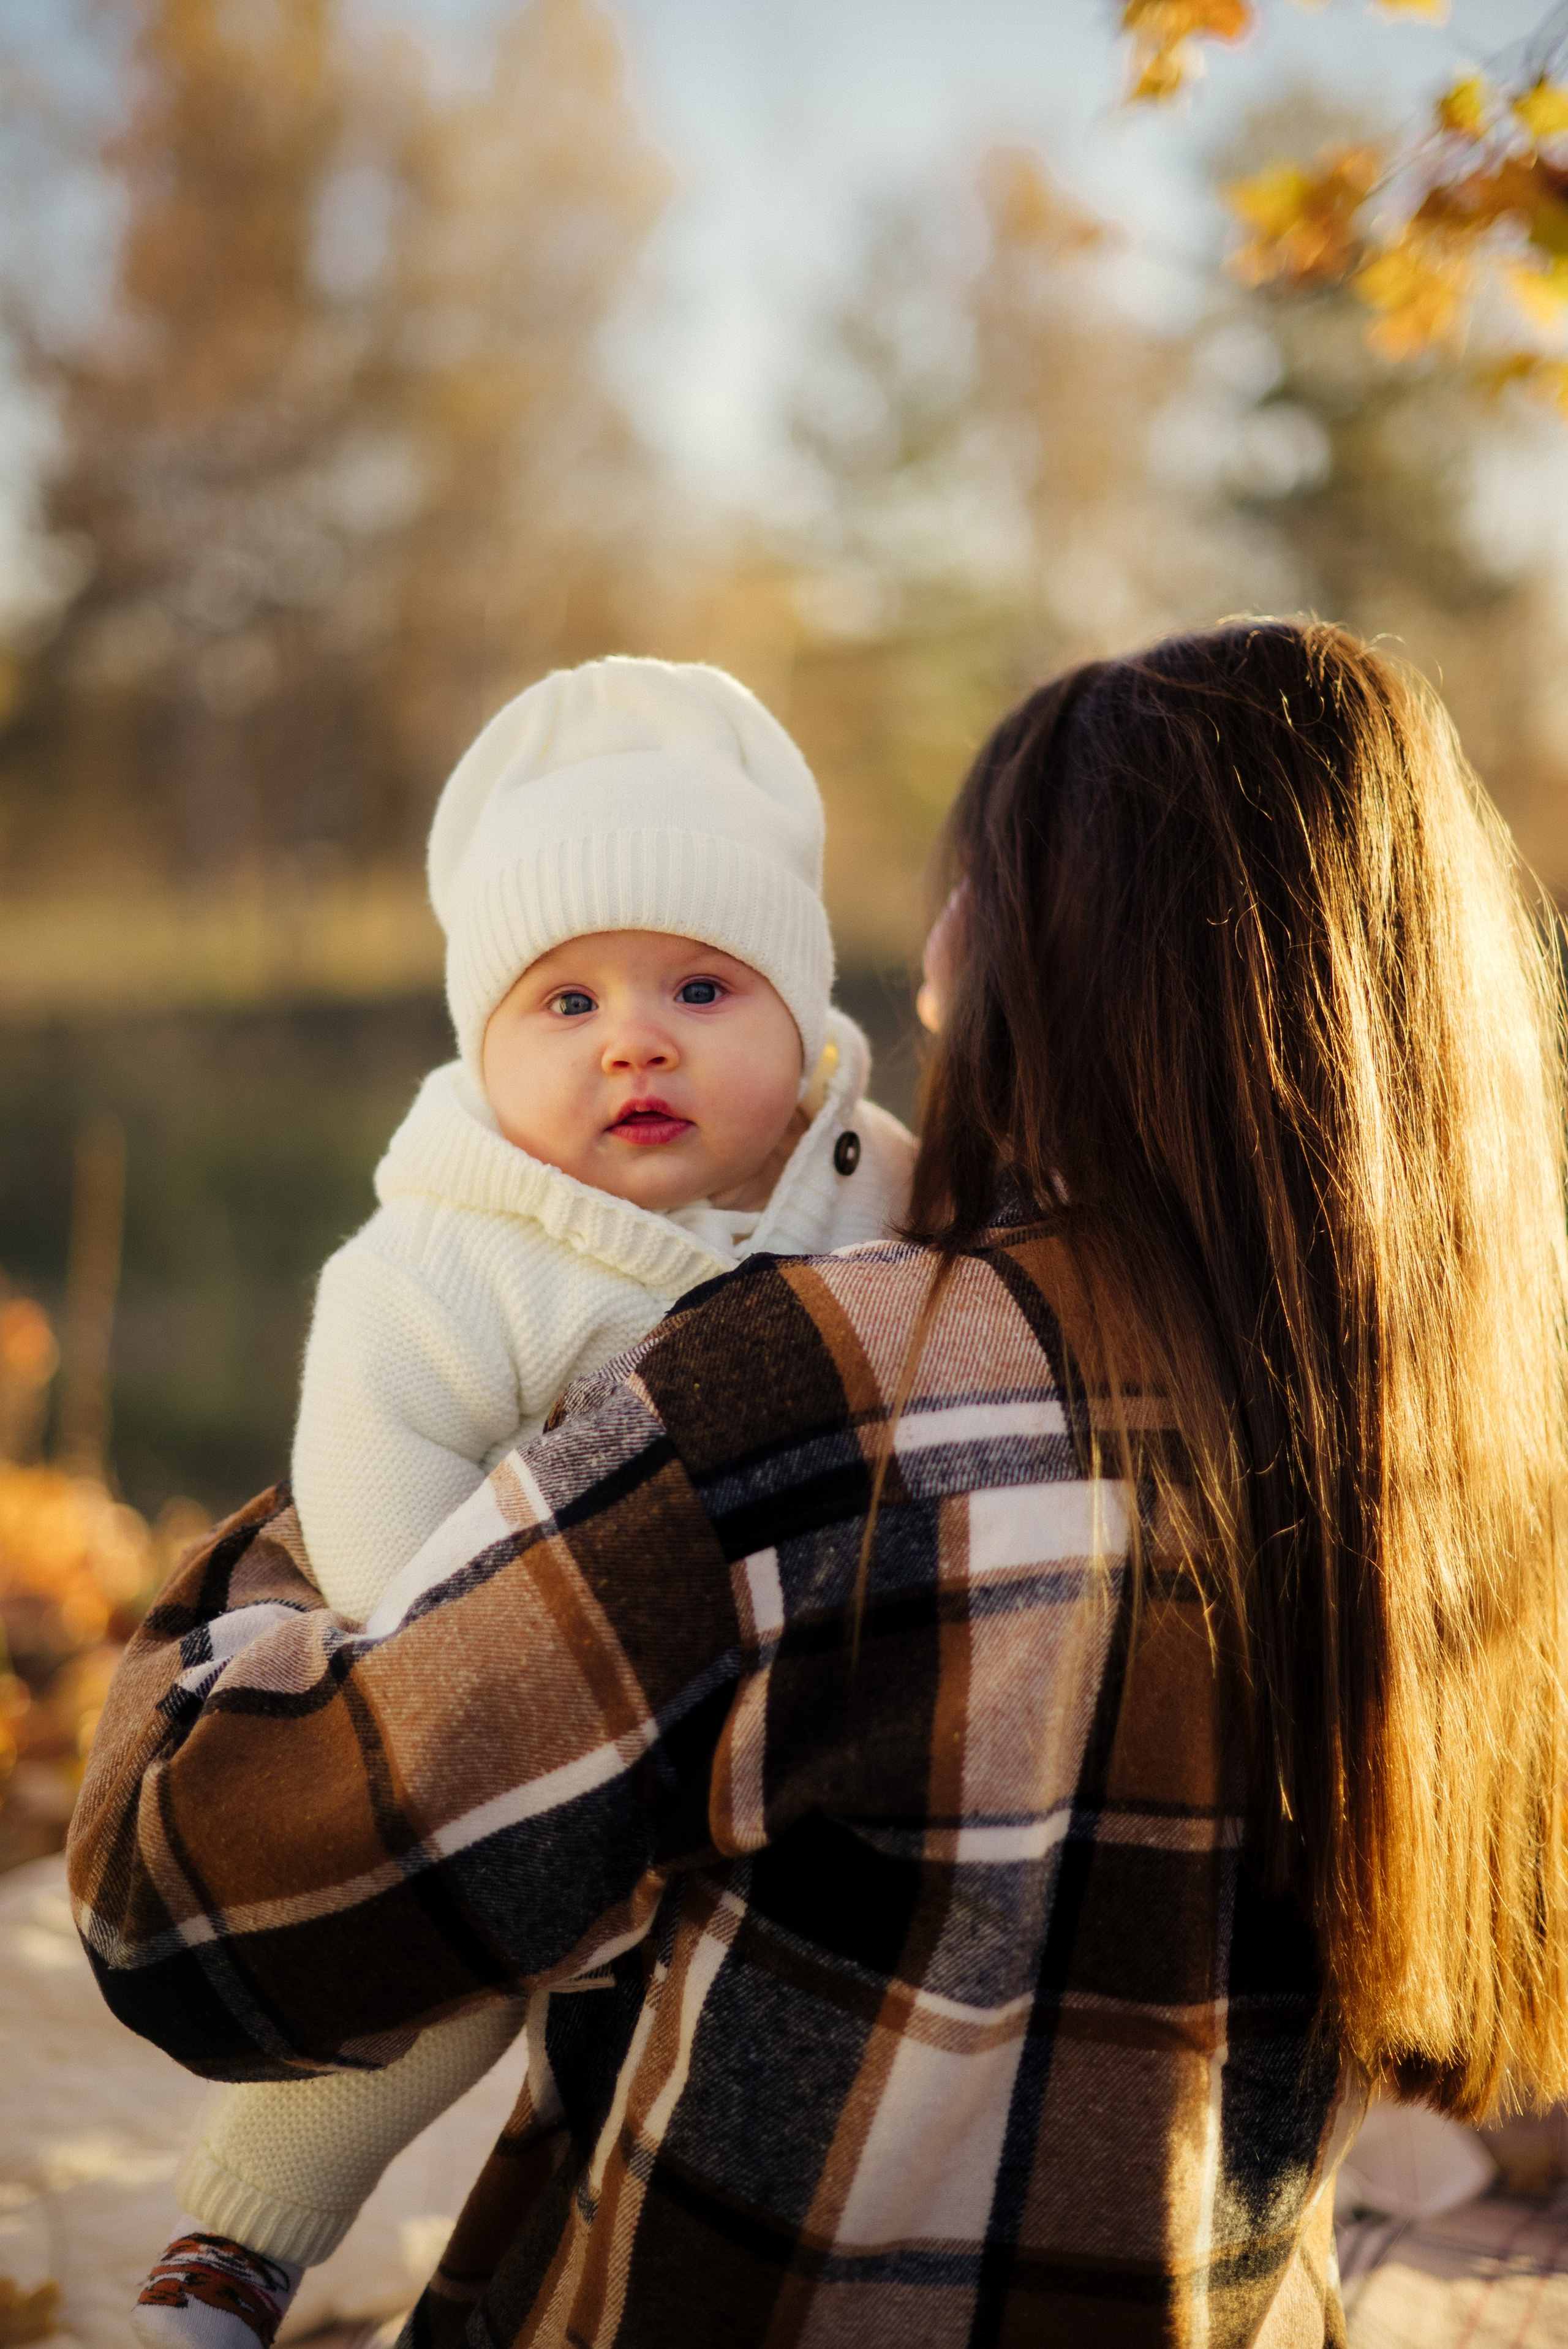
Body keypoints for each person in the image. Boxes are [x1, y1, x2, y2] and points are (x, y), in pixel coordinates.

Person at [72, 619, 1568, 2348]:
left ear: (1097, 961)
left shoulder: (821, 1386)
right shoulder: (1454, 1458)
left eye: (976, 895)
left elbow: (201, 1916)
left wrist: (310, 1547)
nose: (926, 972)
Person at [130, 656, 915, 2339]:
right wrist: (498, 1713)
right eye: (565, 1005)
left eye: (704, 987)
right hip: (520, 1689)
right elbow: (377, 1487)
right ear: (486, 1049)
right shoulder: (442, 1259)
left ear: (805, 1020)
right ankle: (239, 2243)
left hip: (807, 1714)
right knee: (444, 1977)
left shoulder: (883, 1190)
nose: (635, 1035)